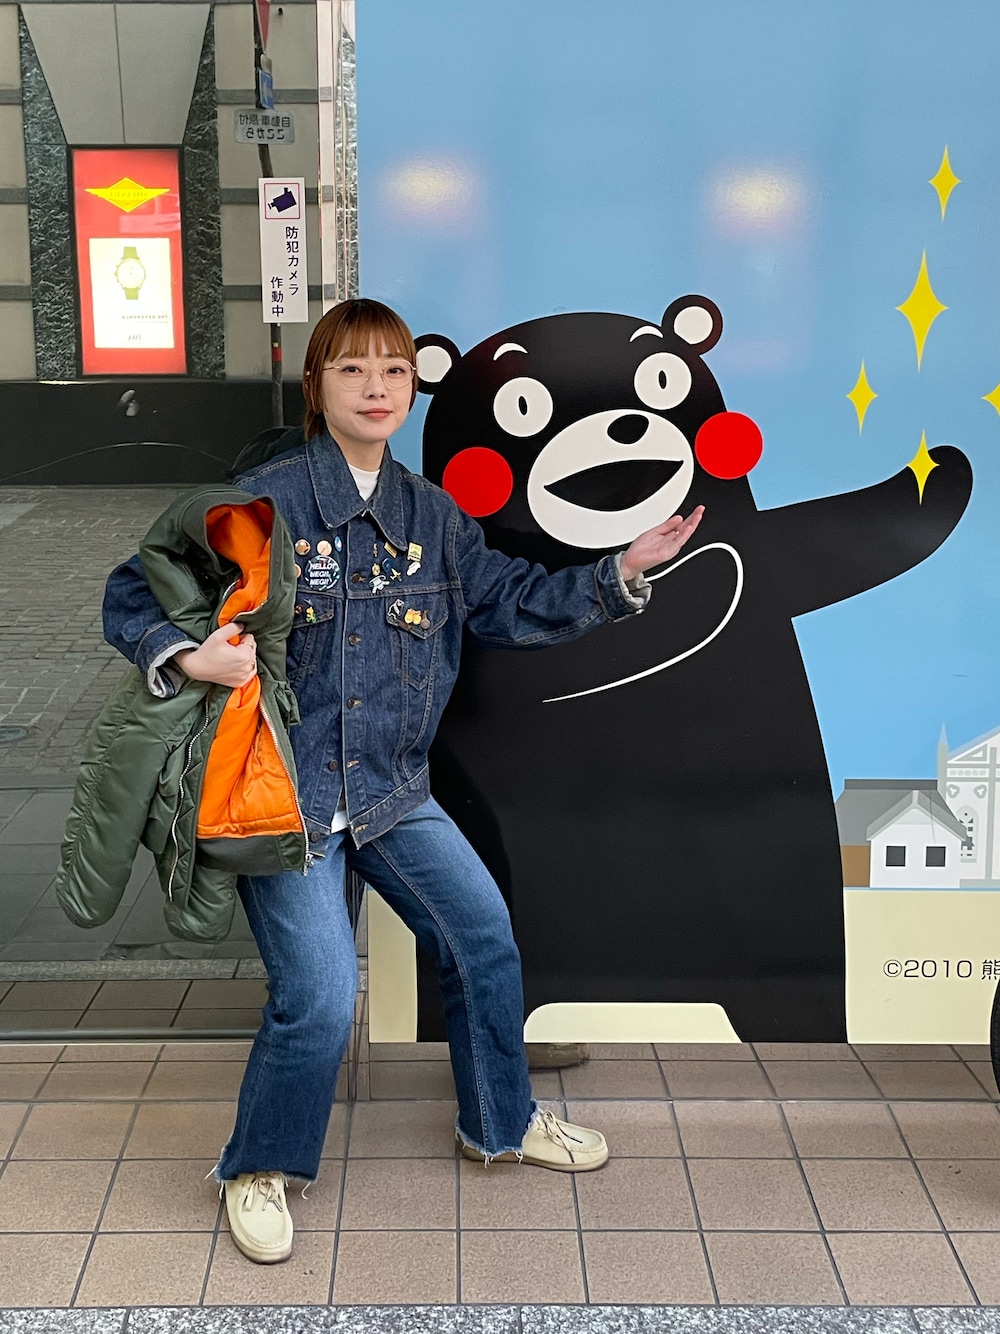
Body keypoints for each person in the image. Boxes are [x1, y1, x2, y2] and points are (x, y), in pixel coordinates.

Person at [102, 298, 704, 1265]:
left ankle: (502, 1122)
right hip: (287, 802)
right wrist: (188, 655)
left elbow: (507, 600)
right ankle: (259, 1166)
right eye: (352, 369)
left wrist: (619, 572)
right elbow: (132, 591)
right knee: (321, 997)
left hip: (391, 792)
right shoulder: (262, 503)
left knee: (483, 941)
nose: (376, 387)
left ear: (412, 387)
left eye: (392, 370)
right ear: (317, 386)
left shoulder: (434, 515)